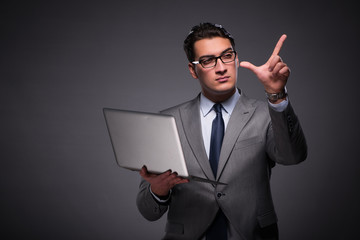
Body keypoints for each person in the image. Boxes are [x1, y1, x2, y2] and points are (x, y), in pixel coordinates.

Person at [136, 23, 307, 240]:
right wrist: (158, 191)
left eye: (227, 56)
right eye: (208, 60)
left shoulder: (266, 114)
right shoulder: (167, 121)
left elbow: (293, 156)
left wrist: (277, 96)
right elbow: (146, 211)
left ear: (236, 59)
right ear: (192, 70)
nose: (221, 67)